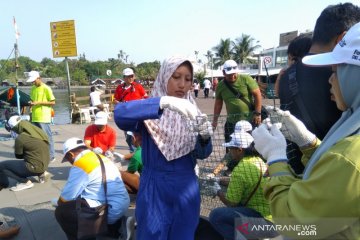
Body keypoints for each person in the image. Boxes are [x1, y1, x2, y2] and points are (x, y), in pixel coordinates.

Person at [251, 22, 360, 239]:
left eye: (337, 71)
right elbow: (333, 179)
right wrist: (309, 143)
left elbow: (292, 220)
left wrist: (275, 158)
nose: (330, 80)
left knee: (243, 228)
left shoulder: (348, 158)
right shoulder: (350, 134)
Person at [114, 56, 213, 239]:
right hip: (154, 188)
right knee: (152, 234)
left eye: (188, 79)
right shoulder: (149, 111)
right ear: (164, 76)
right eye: (176, 77)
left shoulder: (193, 111)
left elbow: (203, 154)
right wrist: (161, 103)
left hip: (186, 188)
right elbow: (120, 115)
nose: (182, 84)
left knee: (183, 235)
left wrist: (205, 137)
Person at [277, 3, 360, 175]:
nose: (332, 78)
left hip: (298, 170)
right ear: (342, 38)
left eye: (336, 72)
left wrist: (276, 162)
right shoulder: (347, 155)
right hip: (323, 174)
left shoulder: (286, 76)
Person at [54, 137, 130, 239]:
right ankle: (118, 227)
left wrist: (59, 203)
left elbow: (67, 197)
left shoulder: (82, 163)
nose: (70, 163)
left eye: (68, 160)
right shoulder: (99, 157)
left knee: (62, 212)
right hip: (122, 203)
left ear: (71, 155)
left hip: (109, 209)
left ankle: (93, 235)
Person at [209, 126, 276, 239]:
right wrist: (222, 180)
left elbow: (231, 203)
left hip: (261, 220)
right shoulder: (259, 161)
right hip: (273, 217)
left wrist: (218, 191)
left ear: (239, 150)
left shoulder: (240, 169)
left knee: (216, 215)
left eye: (231, 149)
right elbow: (250, 180)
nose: (230, 152)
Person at [212, 59, 263, 144]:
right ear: (223, 73)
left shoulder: (246, 79)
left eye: (234, 74)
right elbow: (218, 104)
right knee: (231, 147)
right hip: (231, 123)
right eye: (229, 75)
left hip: (249, 121)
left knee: (250, 147)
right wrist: (215, 121)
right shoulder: (220, 86)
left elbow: (257, 95)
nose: (232, 77)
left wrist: (258, 114)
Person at [0, 116, 50, 192]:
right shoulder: (38, 131)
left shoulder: (21, 138)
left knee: (2, 166)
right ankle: (41, 173)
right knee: (33, 156)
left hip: (34, 166)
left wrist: (19, 148)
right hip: (45, 163)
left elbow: (18, 156)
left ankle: (25, 182)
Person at [113, 67, 148, 153]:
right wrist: (121, 104)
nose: (130, 78)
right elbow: (115, 100)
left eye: (132, 76)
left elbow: (146, 97)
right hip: (126, 115)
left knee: (139, 135)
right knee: (129, 136)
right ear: (124, 77)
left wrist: (140, 103)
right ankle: (133, 152)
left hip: (137, 115)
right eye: (128, 76)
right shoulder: (120, 88)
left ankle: (141, 153)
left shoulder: (138, 86)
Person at [27, 70, 56, 162]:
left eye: (34, 80)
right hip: (35, 115)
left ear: (39, 78)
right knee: (37, 137)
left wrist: (39, 102)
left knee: (47, 136)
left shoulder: (46, 88)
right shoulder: (33, 88)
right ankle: (41, 154)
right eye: (32, 81)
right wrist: (31, 103)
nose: (33, 82)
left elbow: (53, 102)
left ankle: (51, 156)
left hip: (44, 116)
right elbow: (32, 99)